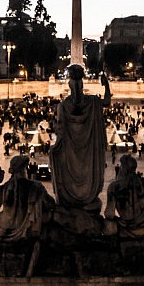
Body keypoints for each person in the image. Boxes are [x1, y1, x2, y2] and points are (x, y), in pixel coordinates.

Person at [50, 65, 111, 212]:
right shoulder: (93, 102)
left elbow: (61, 132)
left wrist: (54, 148)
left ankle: (70, 195)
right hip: (89, 152)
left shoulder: (63, 106)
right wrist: (106, 85)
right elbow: (107, 102)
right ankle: (87, 194)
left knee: (56, 157)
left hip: (70, 153)